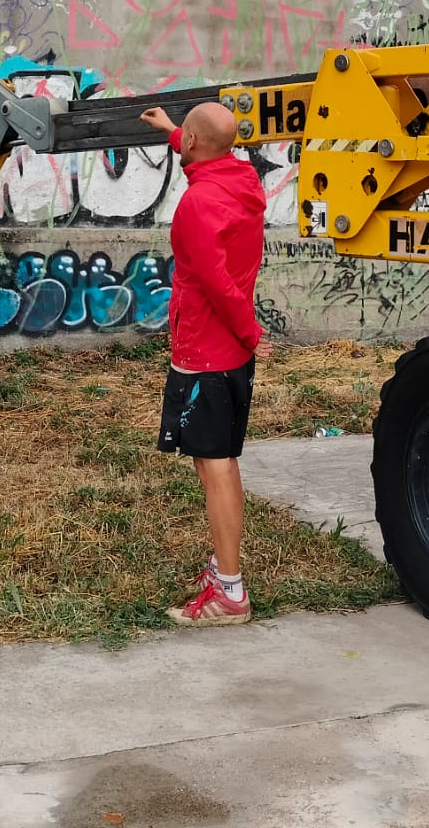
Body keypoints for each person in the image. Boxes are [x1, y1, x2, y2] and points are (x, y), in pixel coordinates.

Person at [138, 100, 269, 627]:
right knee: (219, 460)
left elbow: (218, 284)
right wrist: (174, 130)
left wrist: (250, 333)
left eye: (185, 136)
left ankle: (230, 594)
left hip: (208, 352)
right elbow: (207, 152)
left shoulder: (196, 205)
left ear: (195, 144)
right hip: (227, 353)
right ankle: (224, 569)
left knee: (214, 466)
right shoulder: (240, 179)